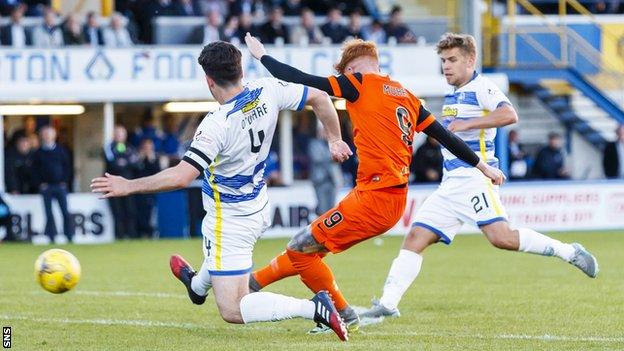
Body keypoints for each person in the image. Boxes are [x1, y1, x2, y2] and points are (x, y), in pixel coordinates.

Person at [91, 41, 353, 341]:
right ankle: (197, 285)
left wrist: (129, 185)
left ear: (209, 80)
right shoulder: (268, 89)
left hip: (229, 220)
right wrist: (334, 138)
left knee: (233, 309)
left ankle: (315, 308)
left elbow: (181, 176)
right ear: (240, 69)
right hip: (258, 203)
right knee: (217, 259)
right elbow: (320, 97)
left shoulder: (216, 124)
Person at [244, 33, 505, 332]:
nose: (342, 79)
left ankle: (343, 314)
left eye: (344, 73)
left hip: (375, 198)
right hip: (386, 198)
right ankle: (253, 283)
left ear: (354, 69)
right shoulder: (406, 95)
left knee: (301, 247)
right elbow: (447, 138)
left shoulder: (359, 83)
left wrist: (261, 55)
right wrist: (483, 165)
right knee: (308, 247)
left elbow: (297, 77)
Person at [359, 33, 598, 320]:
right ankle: (387, 304)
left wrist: (466, 124)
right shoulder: (453, 93)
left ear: (470, 60)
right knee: (415, 238)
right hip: (450, 185)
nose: (446, 66)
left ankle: (570, 252)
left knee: (501, 238)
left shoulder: (483, 87)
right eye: (443, 61)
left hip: (474, 178)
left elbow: (509, 115)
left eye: (452, 60)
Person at [32, 126, 74, 244]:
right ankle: (51, 236)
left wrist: (64, 181)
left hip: (60, 186)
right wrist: (40, 183)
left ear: (54, 136)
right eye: (45, 134)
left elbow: (68, 168)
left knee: (65, 212)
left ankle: (69, 236)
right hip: (46, 187)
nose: (47, 137)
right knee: (49, 213)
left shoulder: (62, 151)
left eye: (49, 134)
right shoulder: (38, 153)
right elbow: (34, 170)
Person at [104, 125, 138, 239]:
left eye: (122, 134)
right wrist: (126, 162)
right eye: (117, 134)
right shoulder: (109, 147)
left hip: (129, 184)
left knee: (130, 210)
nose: (120, 136)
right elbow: (113, 164)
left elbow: (135, 163)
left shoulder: (130, 147)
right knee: (117, 212)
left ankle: (131, 235)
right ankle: (119, 236)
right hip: (113, 185)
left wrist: (123, 162)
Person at [309, 122, 342, 215]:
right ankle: (322, 229)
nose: (325, 134)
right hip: (320, 181)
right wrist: (332, 155)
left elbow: (338, 157)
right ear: (318, 132)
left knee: (332, 210)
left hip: (332, 180)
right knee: (323, 210)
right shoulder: (314, 144)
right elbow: (317, 158)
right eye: (323, 131)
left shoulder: (333, 144)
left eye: (327, 132)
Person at [134, 138, 160, 238]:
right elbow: (135, 172)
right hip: (139, 191)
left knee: (149, 213)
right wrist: (140, 159)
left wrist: (151, 160)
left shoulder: (154, 159)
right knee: (138, 212)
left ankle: (150, 233)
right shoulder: (138, 159)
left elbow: (157, 173)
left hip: (150, 191)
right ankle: (139, 233)